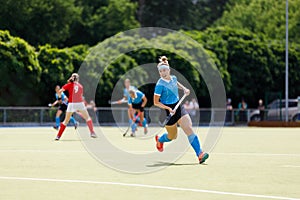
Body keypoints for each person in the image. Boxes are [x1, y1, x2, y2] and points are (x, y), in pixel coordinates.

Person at [153, 56, 209, 164]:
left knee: (188, 128)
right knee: (172, 136)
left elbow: (175, 83)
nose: (163, 73)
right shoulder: (159, 85)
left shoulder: (173, 78)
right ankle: (160, 140)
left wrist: (184, 89)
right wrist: (169, 108)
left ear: (168, 70)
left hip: (178, 107)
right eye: (160, 71)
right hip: (166, 111)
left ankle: (200, 154)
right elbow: (156, 102)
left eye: (164, 70)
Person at [55, 73, 97, 140]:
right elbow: (80, 95)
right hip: (80, 103)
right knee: (88, 118)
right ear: (78, 79)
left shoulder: (69, 85)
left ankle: (58, 136)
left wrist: (59, 99)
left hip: (71, 104)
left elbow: (59, 92)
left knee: (66, 121)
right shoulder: (81, 86)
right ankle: (92, 132)